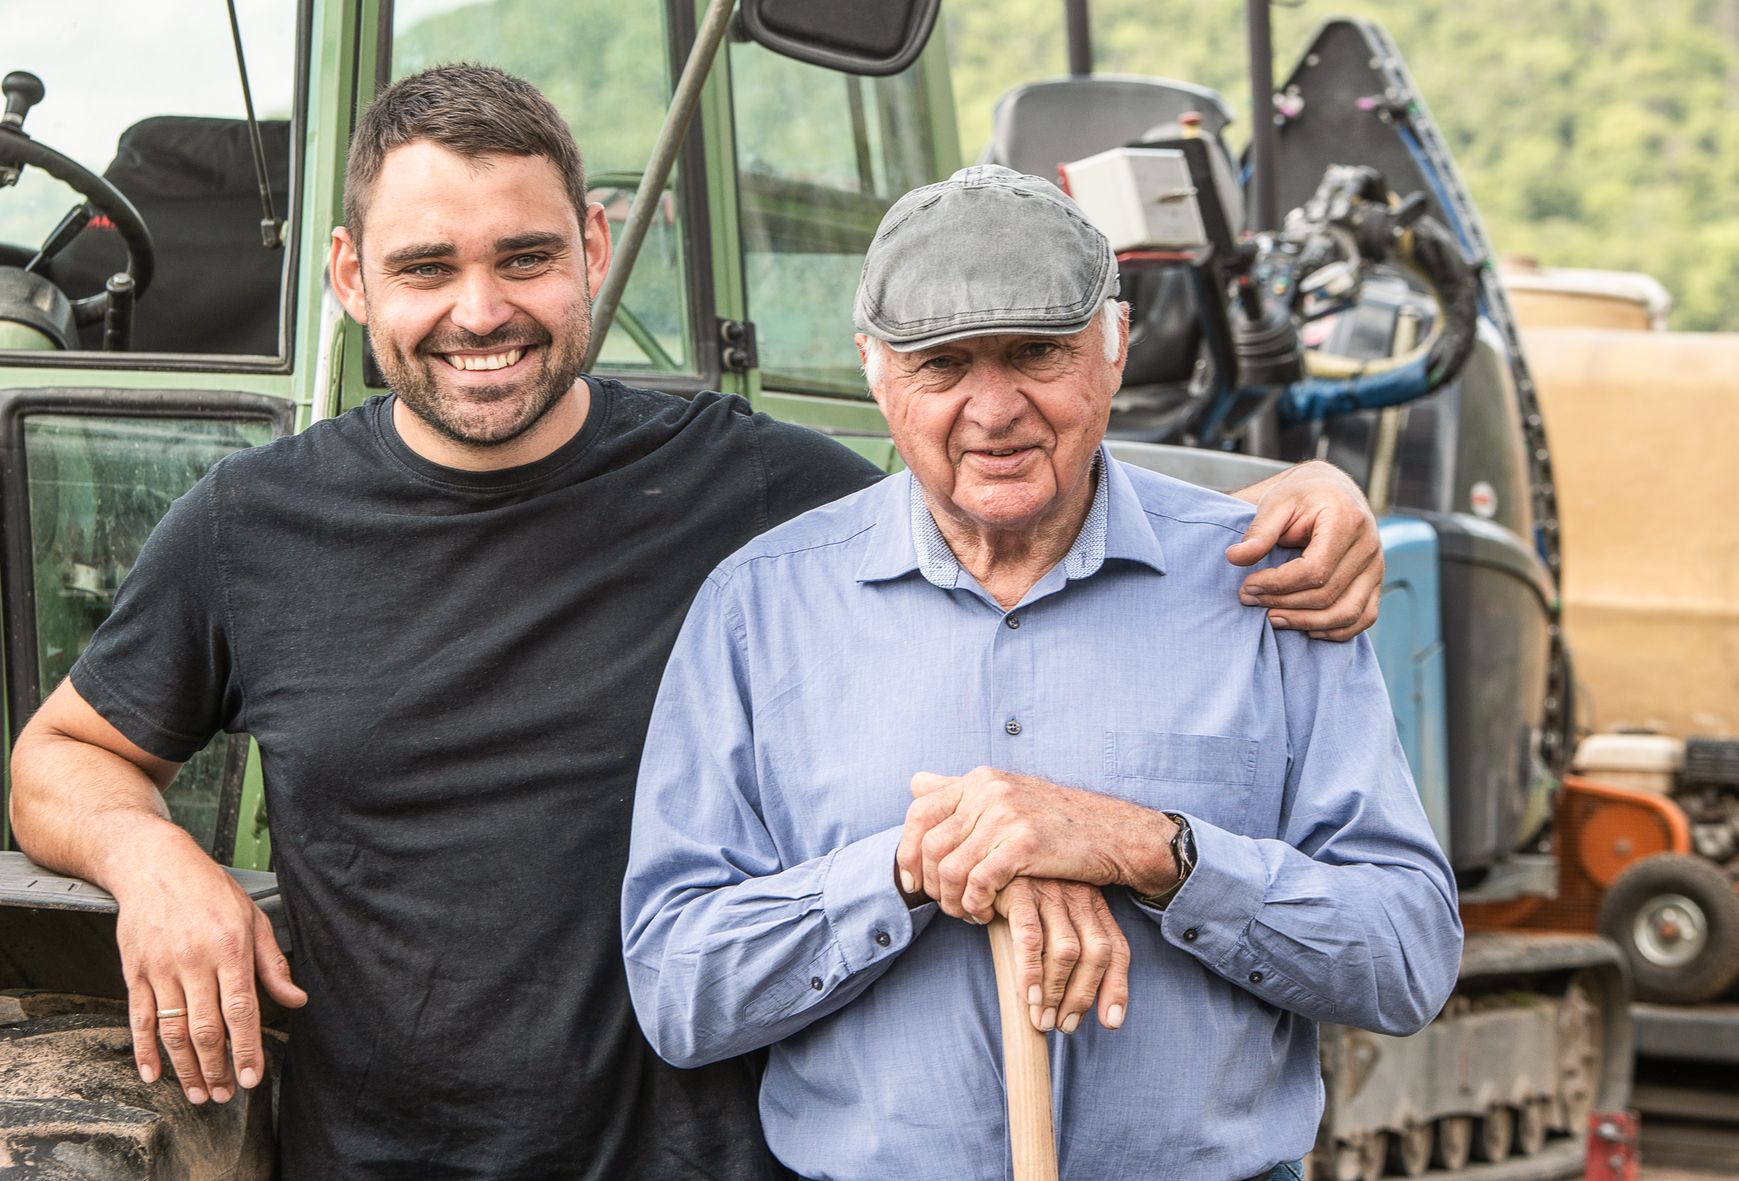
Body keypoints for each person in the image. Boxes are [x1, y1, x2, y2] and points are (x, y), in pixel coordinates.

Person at [8, 70, 1386, 1180]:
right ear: (351, 276)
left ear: (596, 248)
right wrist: (155, 859)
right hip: (385, 1154)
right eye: (427, 267)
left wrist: (1294, 497)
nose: (480, 311)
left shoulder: (757, 490)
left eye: (527, 257)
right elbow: (61, 757)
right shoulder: (252, 527)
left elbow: (1005, 488)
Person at [621, 166, 1462, 1181]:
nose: (994, 407)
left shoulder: (1270, 586)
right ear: (873, 368)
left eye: (1036, 352)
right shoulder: (759, 609)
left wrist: (1149, 848)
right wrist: (913, 868)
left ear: (1114, 346)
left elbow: (1407, 955)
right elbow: (678, 991)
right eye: (942, 363)